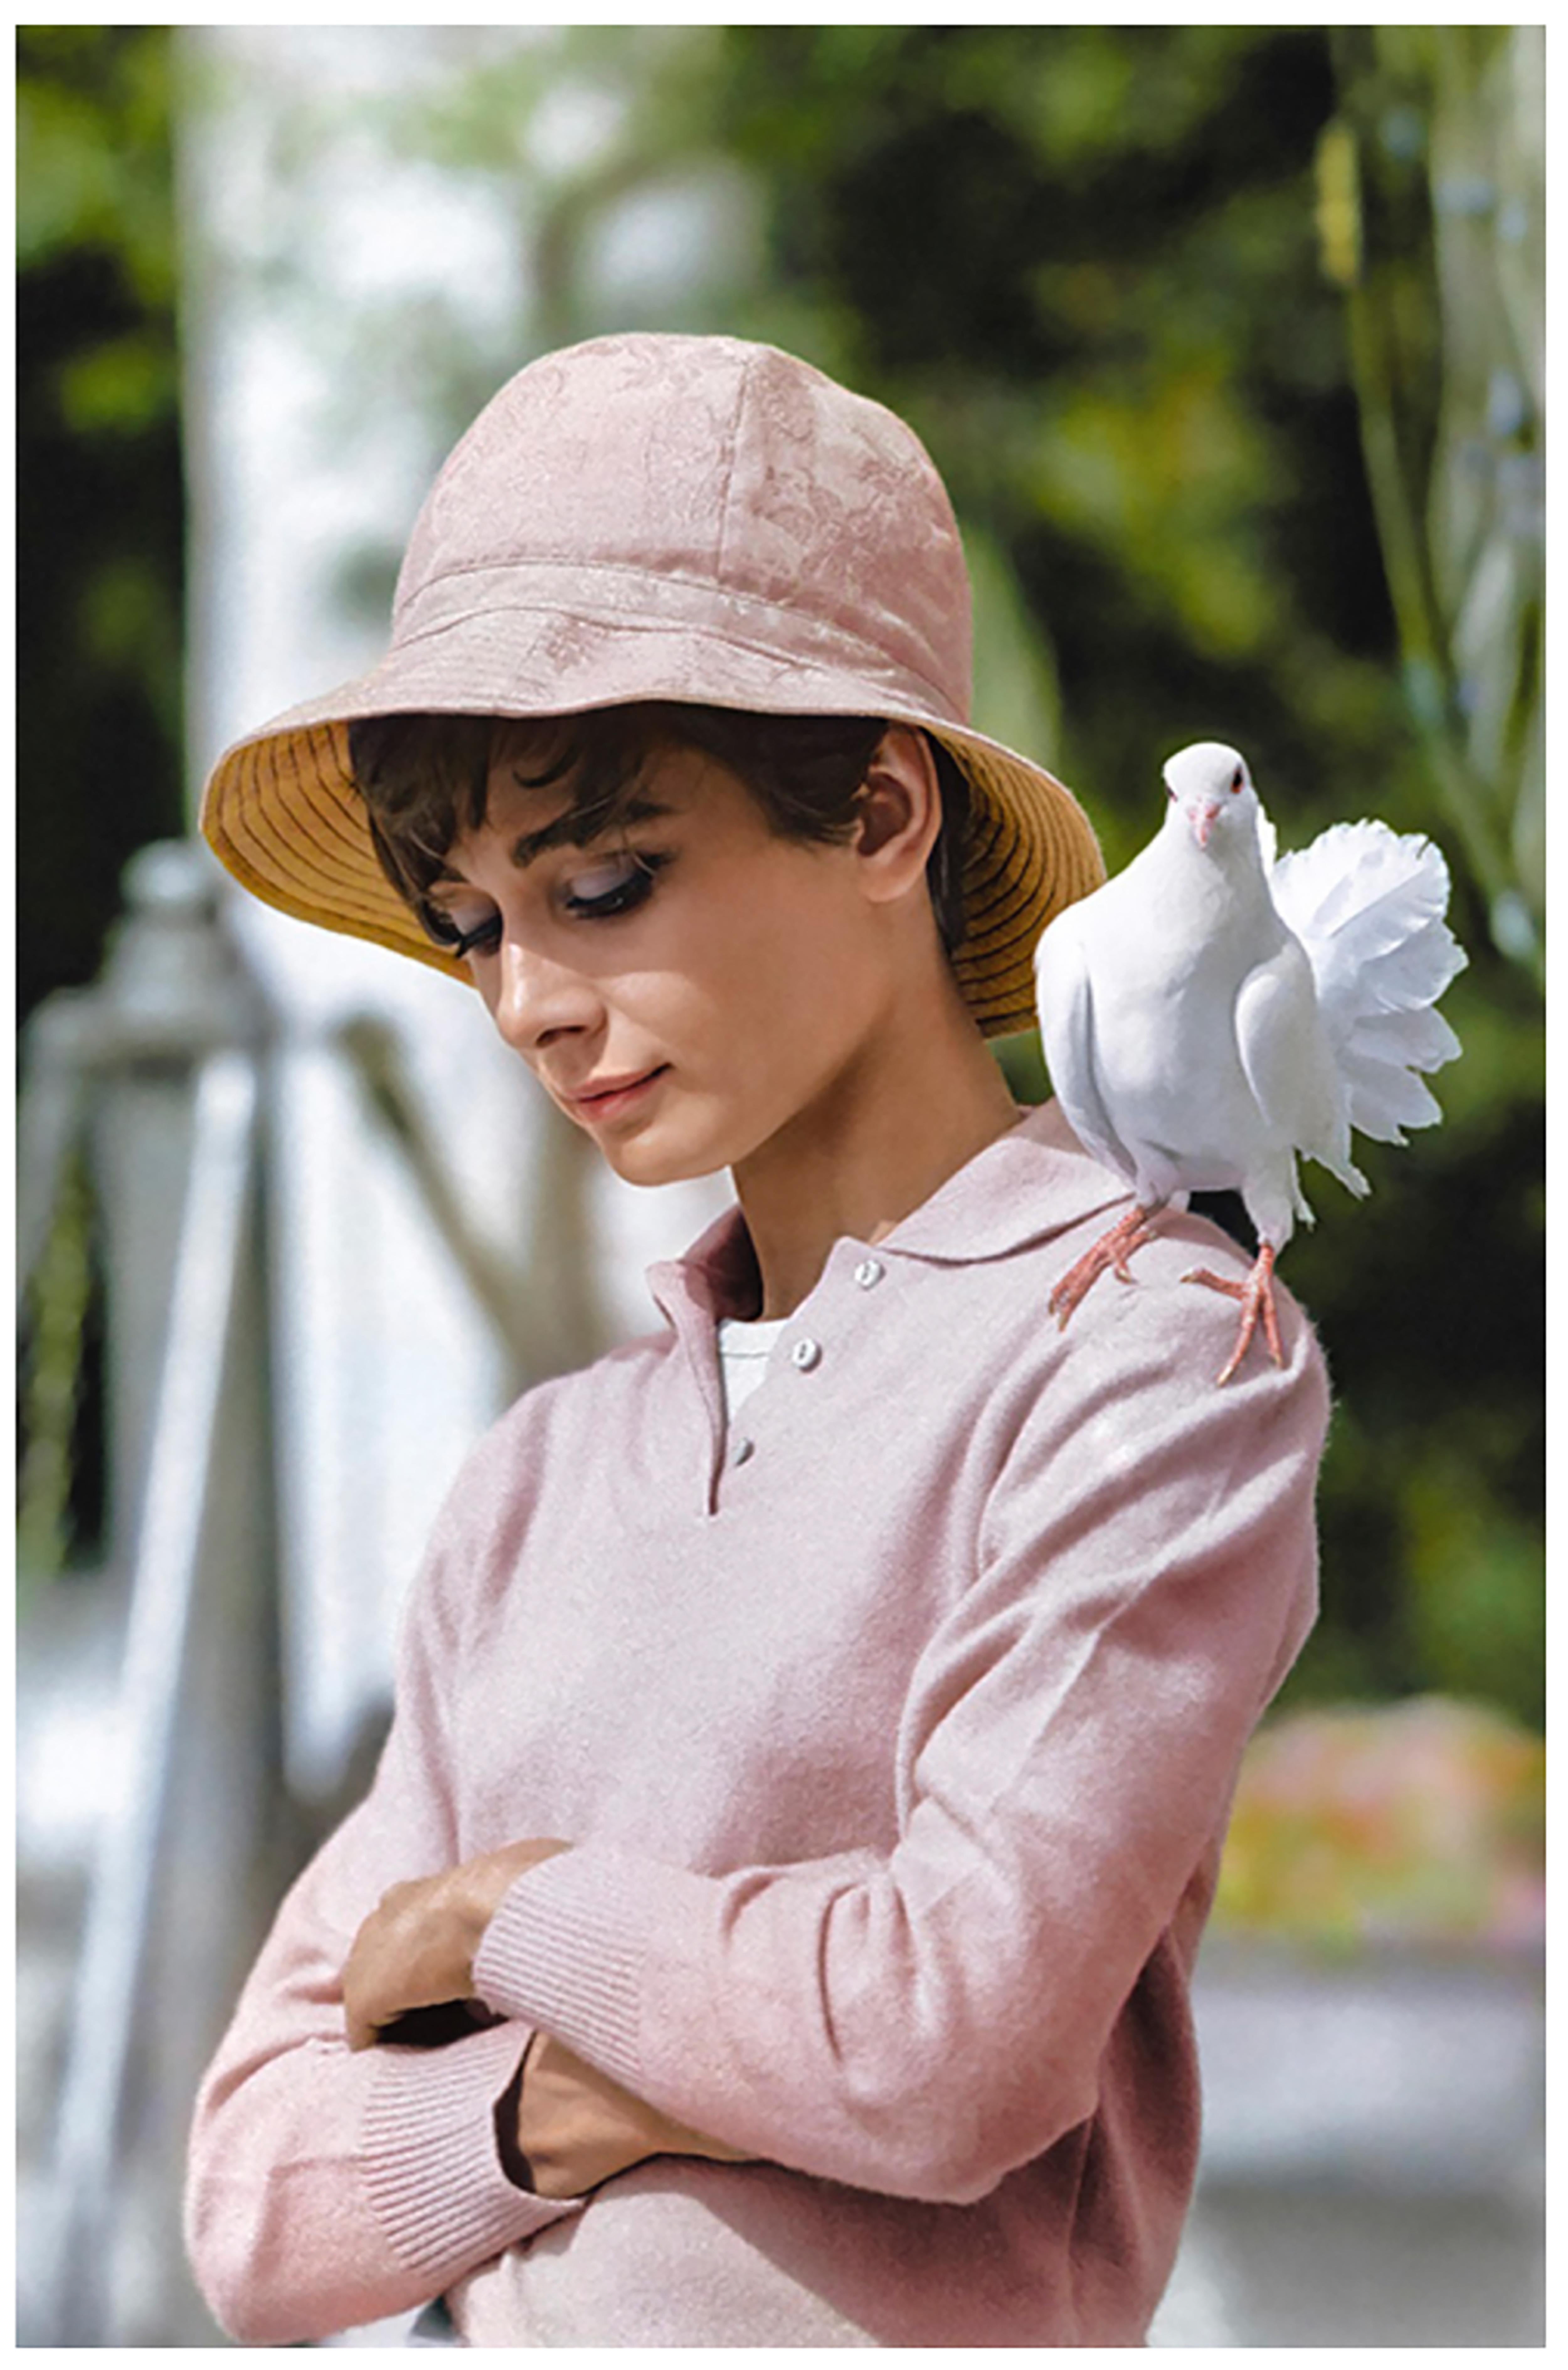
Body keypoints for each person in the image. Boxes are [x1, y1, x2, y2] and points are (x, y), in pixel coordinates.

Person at [186, 332, 1328, 2348]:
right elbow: (258, 2202)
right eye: (470, 923)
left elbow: (949, 2043)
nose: (528, 998)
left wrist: (498, 1913)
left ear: (883, 812)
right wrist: (567, 2091)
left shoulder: (1144, 1354)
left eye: (603, 882)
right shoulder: (540, 1471)